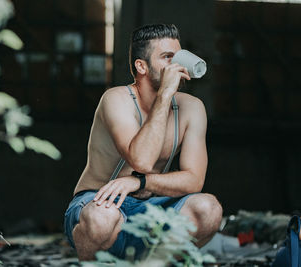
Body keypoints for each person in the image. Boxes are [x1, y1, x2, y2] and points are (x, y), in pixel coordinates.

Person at [64, 23, 222, 260]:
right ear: (142, 66)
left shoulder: (192, 108)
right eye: (168, 57)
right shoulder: (116, 99)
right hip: (98, 203)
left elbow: (193, 181)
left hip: (153, 205)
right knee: (102, 217)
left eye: (178, 56)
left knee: (208, 209)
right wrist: (165, 95)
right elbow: (142, 160)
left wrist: (139, 183)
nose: (176, 64)